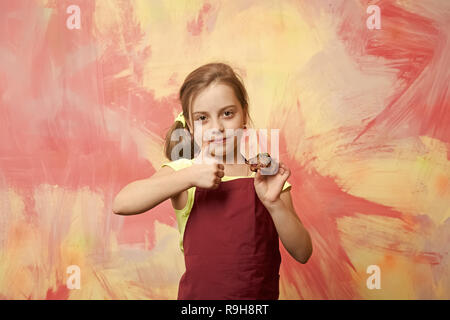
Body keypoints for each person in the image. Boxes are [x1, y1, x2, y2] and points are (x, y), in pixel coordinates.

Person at [112, 62, 312, 300]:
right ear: (189, 124)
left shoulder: (267, 179)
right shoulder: (184, 171)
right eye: (203, 118)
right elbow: (122, 202)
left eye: (227, 113)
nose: (217, 128)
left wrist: (274, 204)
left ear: (244, 113)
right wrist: (188, 176)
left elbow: (303, 252)